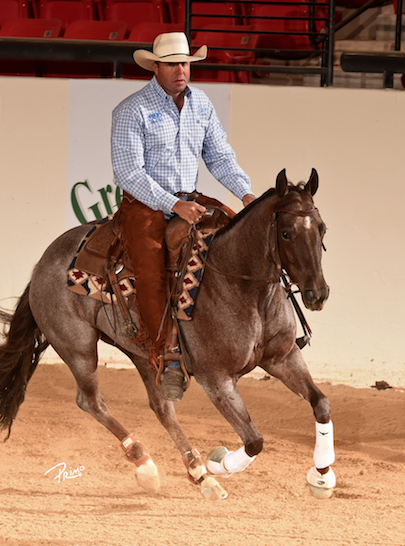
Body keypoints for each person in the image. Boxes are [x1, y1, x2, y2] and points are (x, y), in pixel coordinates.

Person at [111, 32, 255, 402]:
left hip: (188, 197)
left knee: (235, 233)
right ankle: (166, 356)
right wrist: (171, 205)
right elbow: (130, 173)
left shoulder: (201, 105)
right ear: (155, 67)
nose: (181, 70)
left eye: (186, 63)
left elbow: (220, 156)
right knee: (150, 266)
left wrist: (245, 192)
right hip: (145, 203)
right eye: (173, 64)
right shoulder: (132, 109)